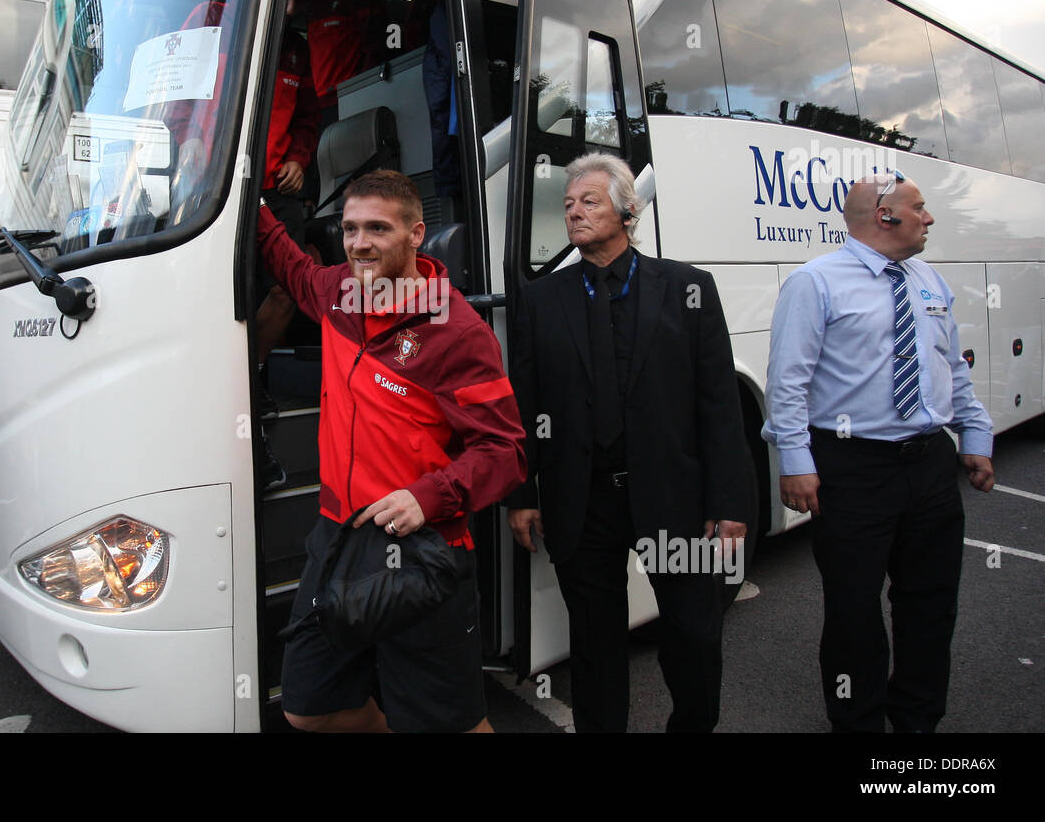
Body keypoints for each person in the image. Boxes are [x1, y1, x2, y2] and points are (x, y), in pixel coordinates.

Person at [258, 169, 526, 732]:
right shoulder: (337, 293)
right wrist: (245, 192)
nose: (359, 243)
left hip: (423, 549)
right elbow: (289, 263)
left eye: (378, 228)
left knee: (447, 725)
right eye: (351, 229)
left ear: (415, 234)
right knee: (310, 711)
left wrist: (428, 497)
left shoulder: (457, 329)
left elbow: (504, 451)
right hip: (337, 541)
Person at [506, 152, 755, 733]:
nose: (574, 213)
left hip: (676, 499)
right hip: (582, 502)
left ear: (627, 210)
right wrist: (522, 491)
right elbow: (525, 403)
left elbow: (719, 408)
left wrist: (731, 506)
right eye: (568, 205)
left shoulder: (690, 289)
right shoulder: (542, 300)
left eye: (589, 201)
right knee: (595, 646)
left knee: (694, 635)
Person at [762, 170, 994, 733]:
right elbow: (787, 383)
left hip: (930, 465)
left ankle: (915, 725)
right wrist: (796, 464)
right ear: (885, 216)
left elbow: (950, 368)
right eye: (920, 207)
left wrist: (975, 436)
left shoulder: (929, 280)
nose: (929, 217)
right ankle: (859, 724)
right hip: (853, 467)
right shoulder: (815, 283)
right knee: (853, 611)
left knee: (931, 605)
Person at [255, 0, 322, 454]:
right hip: (229, 192)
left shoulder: (297, 50)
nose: (292, 8)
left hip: (278, 191)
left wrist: (300, 158)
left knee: (288, 289)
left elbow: (306, 120)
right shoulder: (217, 20)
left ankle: (249, 380)